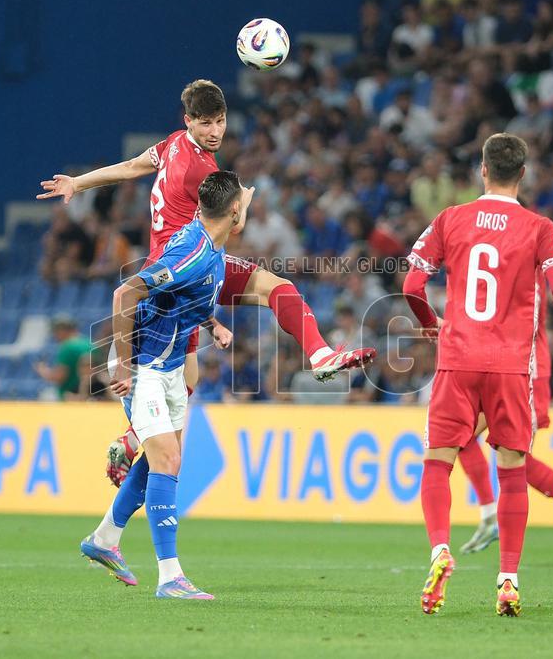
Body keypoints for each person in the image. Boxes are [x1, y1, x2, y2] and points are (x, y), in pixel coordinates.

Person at [37, 80, 374, 481]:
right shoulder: (202, 169)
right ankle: (319, 355)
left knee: (189, 374)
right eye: (205, 124)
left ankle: (130, 443)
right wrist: (244, 204)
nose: (214, 131)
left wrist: (79, 182)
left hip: (166, 271)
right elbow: (230, 226)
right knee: (278, 289)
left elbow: (129, 168)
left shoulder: (171, 145)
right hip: (190, 266)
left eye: (220, 121)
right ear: (189, 120)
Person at [403, 133, 553, 617]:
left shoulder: (451, 219)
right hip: (509, 366)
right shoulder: (539, 227)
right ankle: (507, 580)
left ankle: (440, 549)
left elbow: (412, 282)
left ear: (482, 169)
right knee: (513, 472)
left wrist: (429, 325)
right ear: (522, 174)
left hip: (457, 358)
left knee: (438, 460)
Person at [79, 170, 250, 600]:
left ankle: (103, 539)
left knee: (161, 463)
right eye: (244, 202)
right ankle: (170, 576)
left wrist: (212, 324)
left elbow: (178, 296)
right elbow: (125, 294)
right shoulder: (191, 252)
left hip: (171, 368)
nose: (246, 206)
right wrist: (122, 365)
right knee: (168, 460)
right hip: (146, 369)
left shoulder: (209, 246)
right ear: (233, 211)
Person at [456, 276, 553, 561]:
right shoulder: (510, 257)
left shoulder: (528, 262)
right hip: (500, 369)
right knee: (461, 437)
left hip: (529, 374)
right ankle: (489, 515)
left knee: (514, 459)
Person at [34, 314, 91, 400]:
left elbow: (60, 376)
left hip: (71, 398)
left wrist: (43, 371)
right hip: (91, 396)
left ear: (62, 330)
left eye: (55, 331)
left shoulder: (68, 346)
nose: (54, 335)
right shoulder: (89, 343)